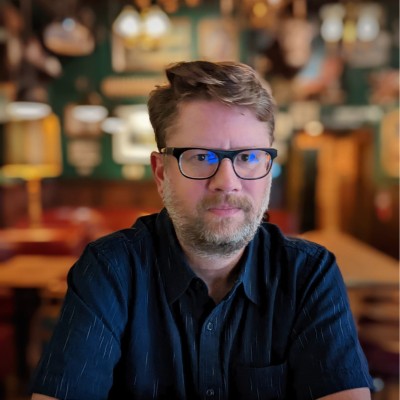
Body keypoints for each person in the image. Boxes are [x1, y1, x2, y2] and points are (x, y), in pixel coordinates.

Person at [31, 61, 373, 399]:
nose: (227, 182)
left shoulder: (309, 274)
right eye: (200, 157)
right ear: (161, 173)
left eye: (248, 157)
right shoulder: (110, 270)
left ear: (268, 169)